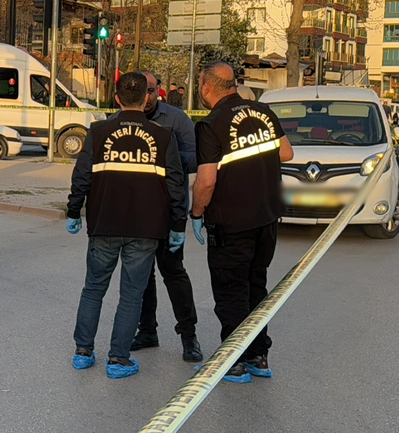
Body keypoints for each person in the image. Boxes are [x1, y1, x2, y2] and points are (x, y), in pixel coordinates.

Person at [66, 71, 187, 380]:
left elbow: (81, 176)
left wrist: (73, 211)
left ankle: (83, 351)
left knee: (93, 288)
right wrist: (178, 223)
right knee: (132, 295)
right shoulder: (162, 136)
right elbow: (175, 184)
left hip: (105, 223)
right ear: (147, 98)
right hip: (145, 228)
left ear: (116, 98)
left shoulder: (97, 132)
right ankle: (118, 359)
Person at [190, 62, 293, 383]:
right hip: (266, 217)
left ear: (206, 87)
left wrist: (195, 214)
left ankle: (233, 362)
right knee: (256, 287)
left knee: (231, 291)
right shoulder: (263, 112)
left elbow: (206, 181)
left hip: (231, 222)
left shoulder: (212, 123)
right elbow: (286, 153)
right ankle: (258, 356)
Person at [129, 72, 203, 362]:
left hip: (169, 210)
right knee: (142, 276)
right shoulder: (125, 117)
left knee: (173, 273)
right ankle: (147, 330)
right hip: (137, 212)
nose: (146, 97)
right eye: (141, 91)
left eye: (150, 90)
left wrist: (163, 154)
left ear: (158, 90)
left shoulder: (177, 119)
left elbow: (197, 157)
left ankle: (189, 335)